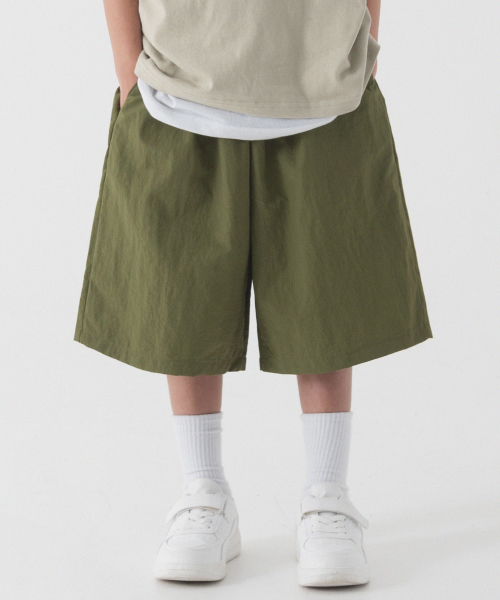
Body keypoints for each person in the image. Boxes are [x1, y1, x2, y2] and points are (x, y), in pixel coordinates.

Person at [74, 0, 433, 587]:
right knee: (183, 297)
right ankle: (203, 489)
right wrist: (127, 67)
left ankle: (327, 496)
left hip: (319, 76)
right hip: (179, 75)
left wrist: (361, 45)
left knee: (324, 295)